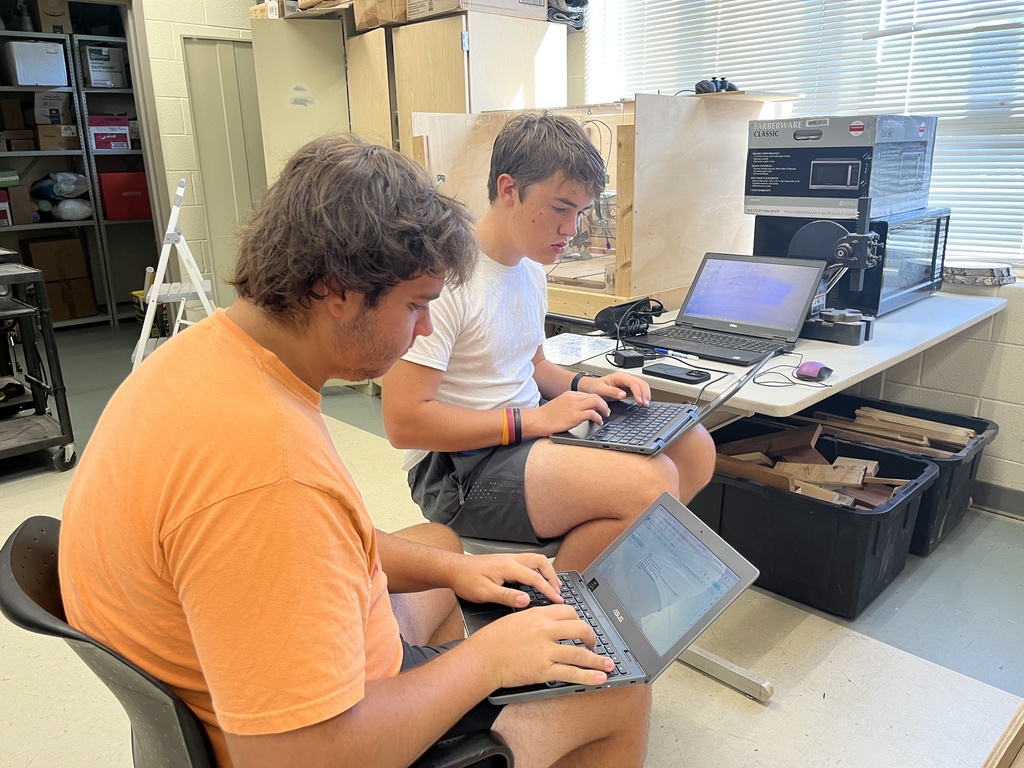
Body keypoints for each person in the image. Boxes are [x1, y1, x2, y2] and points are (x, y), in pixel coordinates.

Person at [58, 135, 650, 768]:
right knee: (618, 693)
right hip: (309, 740)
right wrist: (489, 661)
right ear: (335, 291)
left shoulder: (201, 359)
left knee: (444, 548)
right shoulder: (269, 475)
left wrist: (454, 572)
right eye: (416, 305)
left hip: (234, 683)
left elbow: (322, 541)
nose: (425, 328)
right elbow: (298, 756)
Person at [382, 112, 717, 571]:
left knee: (694, 447)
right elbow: (405, 423)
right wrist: (534, 421)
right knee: (649, 483)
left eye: (580, 212)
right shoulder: (447, 279)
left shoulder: (530, 269)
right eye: (561, 208)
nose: (571, 229)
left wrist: (583, 385)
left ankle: (594, 595)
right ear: (508, 189)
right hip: (455, 470)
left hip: (525, 435)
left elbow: (533, 365)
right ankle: (555, 621)